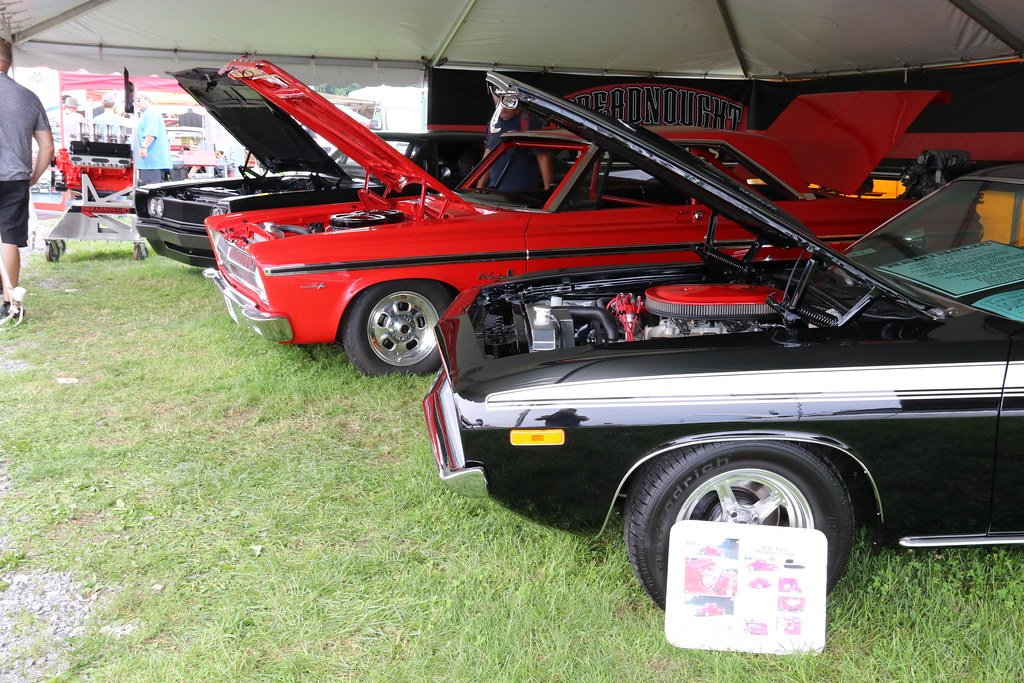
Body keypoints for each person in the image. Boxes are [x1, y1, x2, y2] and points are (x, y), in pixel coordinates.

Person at [0, 39, 54, 319]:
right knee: (8, 237)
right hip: (15, 176)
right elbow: (47, 147)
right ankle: (10, 300)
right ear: (9, 63)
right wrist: (34, 176)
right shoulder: (28, 96)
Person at [479, 84, 553, 192]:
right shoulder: (492, 125)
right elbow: (487, 159)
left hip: (522, 196)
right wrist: (478, 189)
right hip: (495, 194)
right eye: (498, 104)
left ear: (516, 102)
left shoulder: (529, 123)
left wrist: (548, 192)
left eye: (507, 104)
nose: (502, 109)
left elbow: (543, 158)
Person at [134, 94, 172, 185]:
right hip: (150, 162)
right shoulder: (147, 113)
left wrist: (144, 147)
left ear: (147, 100)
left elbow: (151, 133)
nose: (137, 103)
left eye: (139, 100)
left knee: (150, 189)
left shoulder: (151, 113)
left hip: (151, 161)